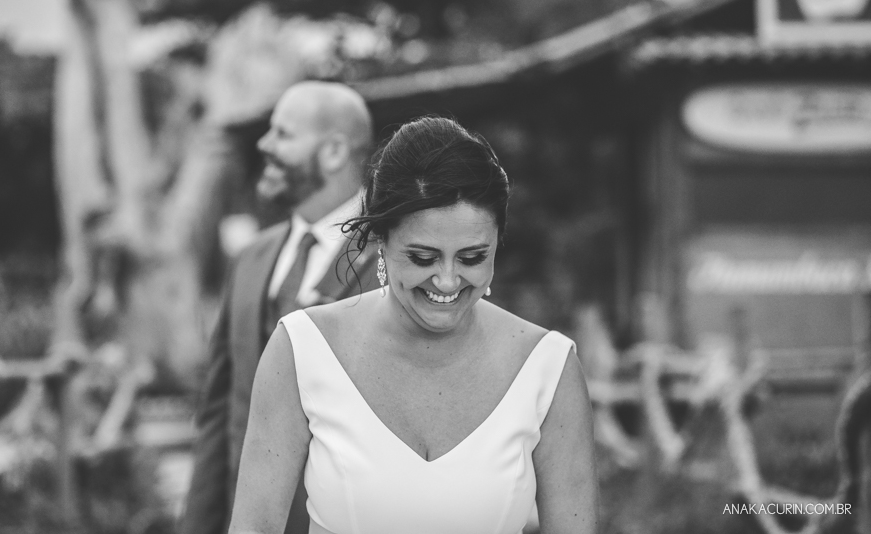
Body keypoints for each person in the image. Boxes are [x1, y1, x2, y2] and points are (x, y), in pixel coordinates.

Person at [228, 116, 599, 534]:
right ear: (380, 243)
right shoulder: (301, 349)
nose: (446, 280)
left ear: (497, 244)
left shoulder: (548, 368)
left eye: (472, 257)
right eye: (422, 258)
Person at [182, 81, 379, 534]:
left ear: (332, 152)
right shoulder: (250, 261)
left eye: (283, 134)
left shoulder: (396, 263)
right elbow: (219, 413)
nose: (263, 145)